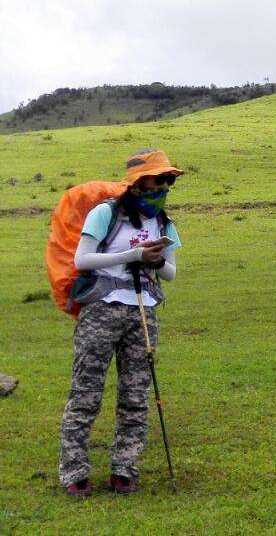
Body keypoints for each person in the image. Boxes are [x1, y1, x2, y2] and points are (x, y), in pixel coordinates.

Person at [58, 149, 184, 497]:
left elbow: (171, 273)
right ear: (138, 183)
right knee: (86, 392)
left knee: (136, 394)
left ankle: (124, 469)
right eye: (158, 180)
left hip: (143, 312)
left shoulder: (165, 222)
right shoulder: (105, 213)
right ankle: (74, 472)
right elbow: (83, 260)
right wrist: (133, 255)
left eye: (168, 181)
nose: (164, 187)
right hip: (101, 309)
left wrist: (154, 261)